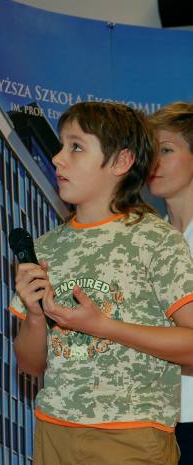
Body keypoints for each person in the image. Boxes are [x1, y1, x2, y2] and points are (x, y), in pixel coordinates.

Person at [9, 102, 193, 465]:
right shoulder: (47, 247)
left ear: (122, 161)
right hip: (53, 434)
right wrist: (34, 316)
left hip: (131, 437)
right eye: (61, 146)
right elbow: (30, 365)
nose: (58, 158)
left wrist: (103, 326)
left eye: (76, 147)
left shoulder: (156, 240)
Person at [148, 102, 193, 465]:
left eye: (165, 150)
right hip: (156, 421)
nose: (154, 162)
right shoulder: (145, 241)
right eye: (149, 152)